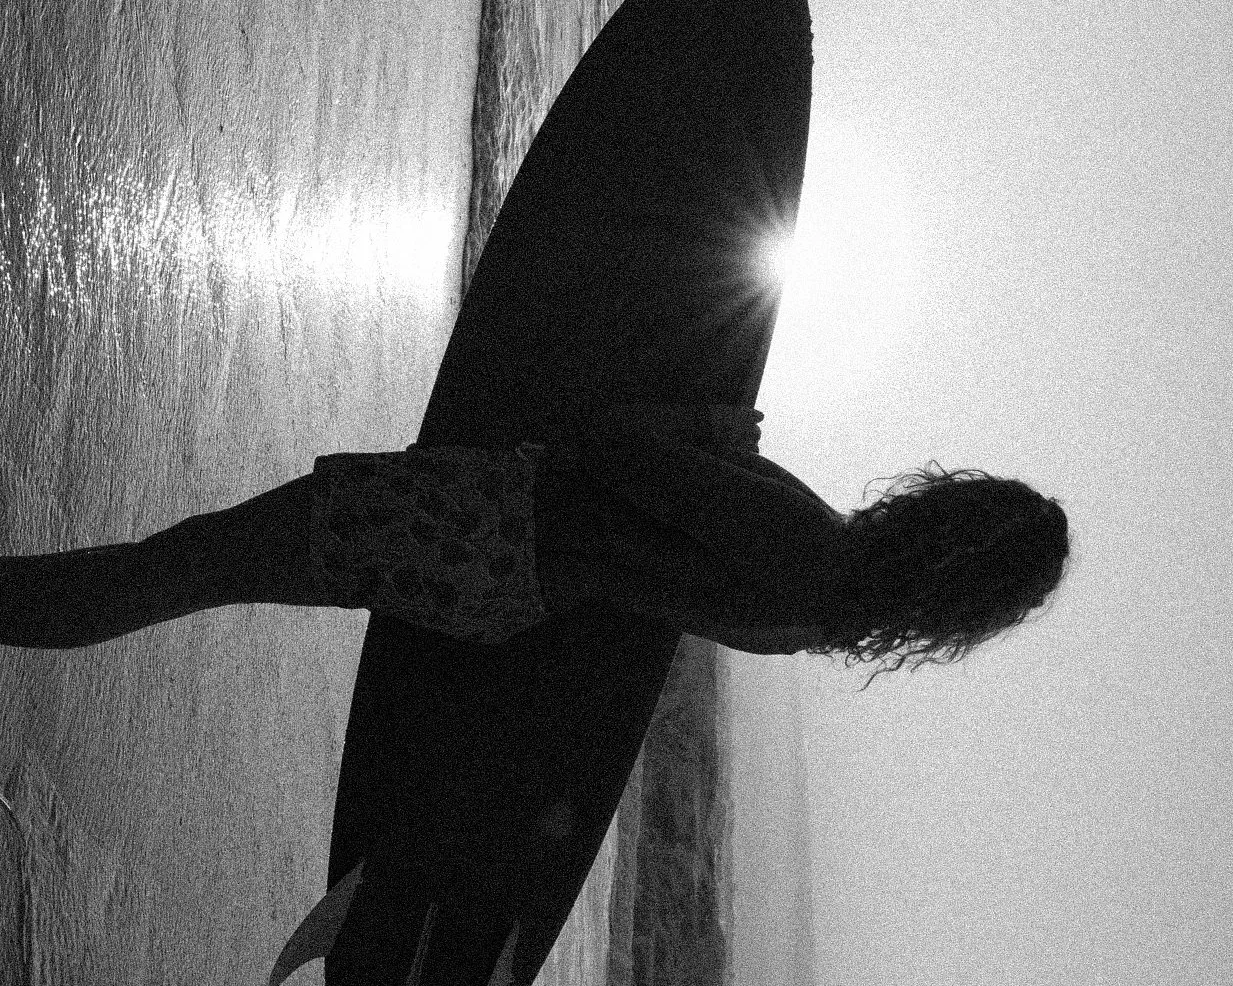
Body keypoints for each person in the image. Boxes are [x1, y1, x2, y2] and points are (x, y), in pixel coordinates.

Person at [0, 403, 1069, 685]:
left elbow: (615, 450)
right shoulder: (818, 618)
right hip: (501, 580)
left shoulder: (805, 546)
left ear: (942, 509)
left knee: (179, 565)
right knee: (190, 566)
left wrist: (702, 434)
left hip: (482, 526)